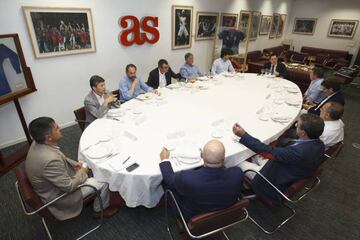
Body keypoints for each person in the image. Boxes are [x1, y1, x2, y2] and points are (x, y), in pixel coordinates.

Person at [25, 117, 118, 220]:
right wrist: (83, 173)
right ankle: (99, 210)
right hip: (61, 197)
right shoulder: (49, 160)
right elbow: (69, 187)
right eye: (56, 128)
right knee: (104, 180)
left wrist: (73, 163)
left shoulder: (38, 142)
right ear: (49, 137)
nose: (59, 128)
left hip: (53, 183)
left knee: (85, 166)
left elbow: (57, 154)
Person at [232, 113, 325, 204]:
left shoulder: (298, 153)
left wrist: (243, 135)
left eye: (298, 125)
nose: (296, 125)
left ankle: (248, 188)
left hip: (271, 180)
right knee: (252, 155)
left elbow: (267, 150)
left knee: (237, 161)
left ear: (303, 133)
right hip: (285, 168)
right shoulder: (320, 144)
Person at [159, 140, 244, 221]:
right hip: (226, 214)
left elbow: (168, 178)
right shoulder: (237, 174)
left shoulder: (187, 178)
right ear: (224, 158)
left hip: (193, 216)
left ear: (201, 155)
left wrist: (164, 159)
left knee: (167, 185)